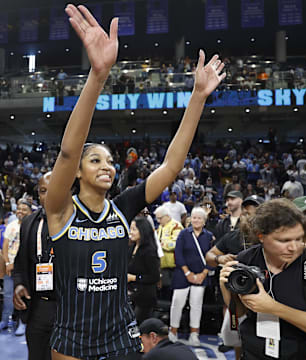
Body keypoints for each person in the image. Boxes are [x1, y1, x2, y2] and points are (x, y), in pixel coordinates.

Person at [44, 4, 225, 360]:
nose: (107, 166)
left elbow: (172, 166)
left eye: (110, 161)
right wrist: (98, 75)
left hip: (121, 336)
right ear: (78, 173)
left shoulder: (123, 206)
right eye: (95, 160)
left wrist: (198, 98)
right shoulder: (60, 208)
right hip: (71, 337)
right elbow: (67, 153)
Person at [220, 199, 306, 359]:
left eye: (298, 238)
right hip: (255, 353)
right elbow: (239, 313)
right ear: (261, 236)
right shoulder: (247, 259)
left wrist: (274, 308)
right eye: (284, 240)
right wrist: (226, 286)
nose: (293, 247)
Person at [12, 172, 57, 360]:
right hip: (37, 306)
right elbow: (20, 263)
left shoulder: (79, 223)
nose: (48, 195)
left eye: (55, 189)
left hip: (68, 310)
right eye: (43, 191)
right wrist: (19, 284)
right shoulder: (30, 222)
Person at [169, 207, 213, 346]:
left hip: (201, 275)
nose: (196, 220)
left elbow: (212, 257)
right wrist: (187, 273)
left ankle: (194, 334)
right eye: (194, 217)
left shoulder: (209, 236)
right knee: (177, 303)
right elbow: (178, 254)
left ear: (204, 221)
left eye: (199, 218)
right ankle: (173, 332)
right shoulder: (183, 234)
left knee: (196, 305)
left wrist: (204, 273)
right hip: (182, 274)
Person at [0, 199, 32, 332]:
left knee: (23, 295)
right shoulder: (11, 225)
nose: (21, 211)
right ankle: (5, 320)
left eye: (24, 209)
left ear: (30, 212)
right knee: (8, 294)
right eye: (19, 209)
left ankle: (22, 323)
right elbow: (6, 245)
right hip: (11, 266)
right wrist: (7, 262)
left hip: (25, 268)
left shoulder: (32, 225)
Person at [128, 217, 160, 325]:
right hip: (131, 295)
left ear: (142, 230)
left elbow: (154, 276)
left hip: (144, 298)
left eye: (134, 229)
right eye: (130, 229)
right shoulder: (131, 247)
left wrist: (135, 278)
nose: (130, 232)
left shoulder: (149, 251)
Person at [154, 205, 183, 300]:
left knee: (170, 290)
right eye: (157, 218)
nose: (158, 221)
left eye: (160, 218)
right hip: (161, 264)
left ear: (167, 216)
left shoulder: (176, 226)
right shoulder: (160, 227)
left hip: (173, 265)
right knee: (162, 289)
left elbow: (176, 244)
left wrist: (161, 244)